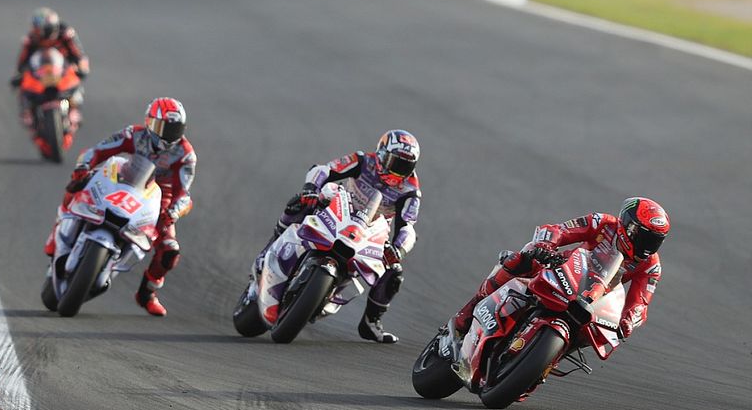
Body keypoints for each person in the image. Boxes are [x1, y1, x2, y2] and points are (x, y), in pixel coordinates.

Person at [267, 130, 422, 344]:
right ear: (381, 154)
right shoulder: (362, 161)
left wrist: (398, 249)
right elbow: (325, 169)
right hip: (339, 209)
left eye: (405, 166)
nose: (398, 171)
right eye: (394, 162)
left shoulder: (411, 190)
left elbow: (408, 227)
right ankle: (271, 245)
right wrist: (311, 189)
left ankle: (371, 322)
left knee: (394, 271)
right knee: (301, 203)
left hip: (371, 230)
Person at [45, 98, 196, 316]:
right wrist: (84, 166)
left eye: (175, 129)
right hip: (123, 178)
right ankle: (57, 235)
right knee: (78, 184)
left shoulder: (185, 154)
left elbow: (184, 194)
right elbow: (98, 150)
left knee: (170, 250)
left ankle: (147, 293)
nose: (168, 134)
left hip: (158, 198)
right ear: (150, 122)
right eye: (163, 127)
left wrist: (173, 212)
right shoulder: (133, 134)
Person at [452, 197, 669, 341]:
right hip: (563, 270)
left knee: (595, 336)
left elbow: (640, 303)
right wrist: (545, 245)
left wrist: (628, 321)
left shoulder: (651, 266)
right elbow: (561, 230)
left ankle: (541, 368)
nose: (647, 246)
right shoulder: (603, 223)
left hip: (594, 302)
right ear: (627, 224)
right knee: (523, 258)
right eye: (643, 236)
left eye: (655, 241)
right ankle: (469, 311)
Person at [12, 7, 90, 129]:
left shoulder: (66, 34)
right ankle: (27, 112)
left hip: (63, 69)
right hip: (41, 72)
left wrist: (82, 67)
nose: (37, 31)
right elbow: (23, 60)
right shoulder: (31, 40)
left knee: (75, 82)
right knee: (23, 87)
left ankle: (74, 108)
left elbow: (78, 53)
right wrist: (19, 75)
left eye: (39, 29)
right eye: (36, 28)